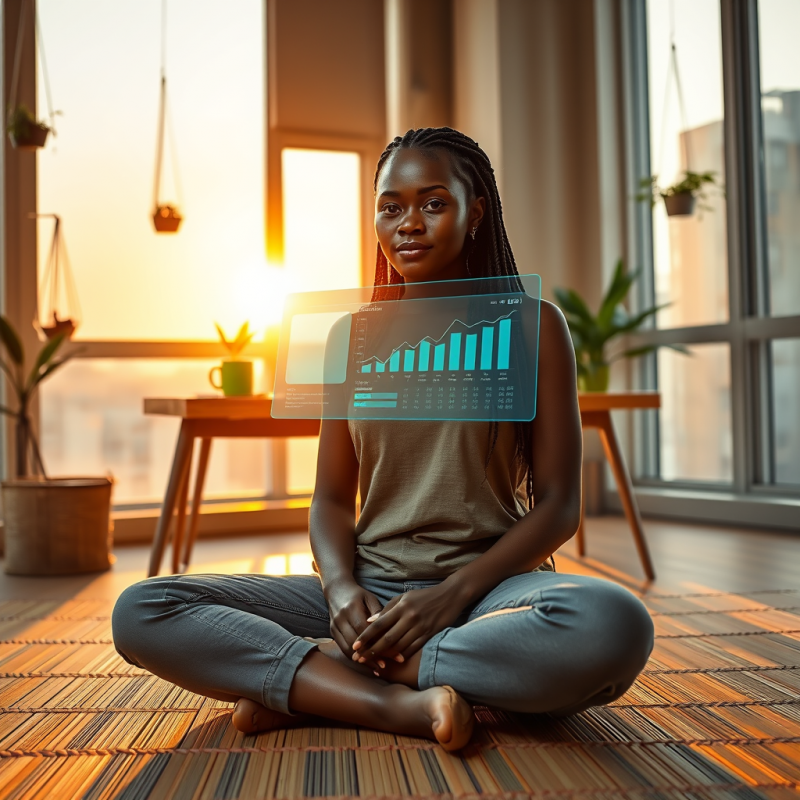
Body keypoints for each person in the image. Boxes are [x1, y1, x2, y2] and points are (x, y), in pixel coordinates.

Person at [112, 127, 654, 752]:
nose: (409, 223)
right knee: (144, 611)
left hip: (488, 593)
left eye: (433, 203)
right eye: (391, 207)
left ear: (475, 212)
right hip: (369, 593)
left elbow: (559, 504)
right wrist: (342, 589)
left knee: (613, 626)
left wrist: (448, 597)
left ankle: (315, 680)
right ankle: (399, 706)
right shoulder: (352, 337)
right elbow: (331, 500)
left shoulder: (533, 325)